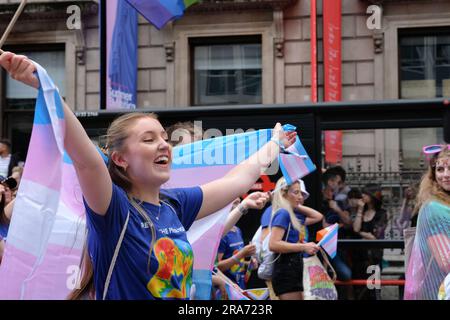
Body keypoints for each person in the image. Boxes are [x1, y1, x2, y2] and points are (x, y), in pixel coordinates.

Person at [0, 51, 297, 300]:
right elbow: (87, 161)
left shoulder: (174, 205)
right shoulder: (114, 210)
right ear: (120, 159)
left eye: (163, 137)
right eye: (148, 139)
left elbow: (237, 180)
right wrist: (45, 86)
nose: (163, 144)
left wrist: (274, 144)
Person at [405, 144, 450, 300]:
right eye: (440, 169)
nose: (445, 175)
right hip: (439, 291)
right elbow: (446, 262)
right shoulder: (433, 209)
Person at [268, 177, 323, 300]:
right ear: (284, 193)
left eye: (301, 193)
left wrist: (294, 205)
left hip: (292, 268)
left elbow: (318, 216)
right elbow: (273, 245)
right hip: (285, 270)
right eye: (296, 192)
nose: (300, 197)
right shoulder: (283, 213)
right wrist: (304, 246)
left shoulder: (290, 213)